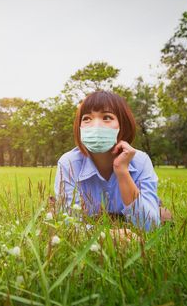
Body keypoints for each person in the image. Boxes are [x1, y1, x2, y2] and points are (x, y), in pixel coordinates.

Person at [53, 90, 170, 232]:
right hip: (100, 228)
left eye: (107, 117)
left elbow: (150, 226)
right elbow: (69, 225)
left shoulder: (141, 161)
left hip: (124, 217)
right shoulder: (68, 163)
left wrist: (122, 171)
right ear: (80, 127)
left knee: (162, 215)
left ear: (123, 125)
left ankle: (154, 205)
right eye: (87, 119)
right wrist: (109, 235)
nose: (95, 125)